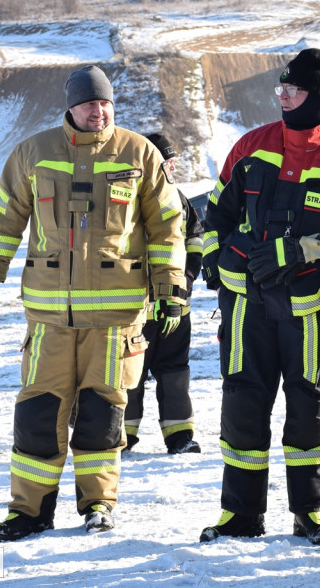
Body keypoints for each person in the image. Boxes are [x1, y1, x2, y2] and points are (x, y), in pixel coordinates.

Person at [0, 65, 187, 541]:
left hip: (116, 319)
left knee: (101, 414)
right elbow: (4, 222)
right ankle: (28, 511)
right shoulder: (33, 152)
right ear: (71, 105)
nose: (99, 110)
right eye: (90, 102)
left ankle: (98, 505)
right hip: (49, 316)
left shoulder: (139, 152)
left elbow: (168, 226)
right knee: (37, 413)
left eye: (106, 102)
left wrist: (171, 288)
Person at [199, 48, 320, 546]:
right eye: (280, 90)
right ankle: (239, 515)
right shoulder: (251, 146)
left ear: (319, 96)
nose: (283, 98)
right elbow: (215, 215)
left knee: (308, 412)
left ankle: (310, 513)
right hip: (244, 309)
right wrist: (216, 260)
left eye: (293, 91)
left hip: (308, 314)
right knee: (241, 406)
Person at [123, 132, 205, 455]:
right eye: (165, 162)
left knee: (175, 375)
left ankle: (180, 437)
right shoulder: (128, 201)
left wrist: (186, 278)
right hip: (136, 311)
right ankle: (122, 438)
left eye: (173, 162)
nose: (171, 168)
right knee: (131, 376)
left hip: (175, 310)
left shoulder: (181, 200)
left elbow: (197, 239)